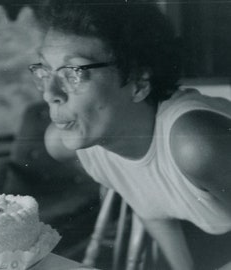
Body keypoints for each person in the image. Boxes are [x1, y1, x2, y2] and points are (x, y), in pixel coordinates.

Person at [28, 1, 231, 269]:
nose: (50, 93)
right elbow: (149, 203)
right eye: (44, 70)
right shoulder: (79, 140)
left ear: (138, 83)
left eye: (74, 72)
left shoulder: (194, 143)